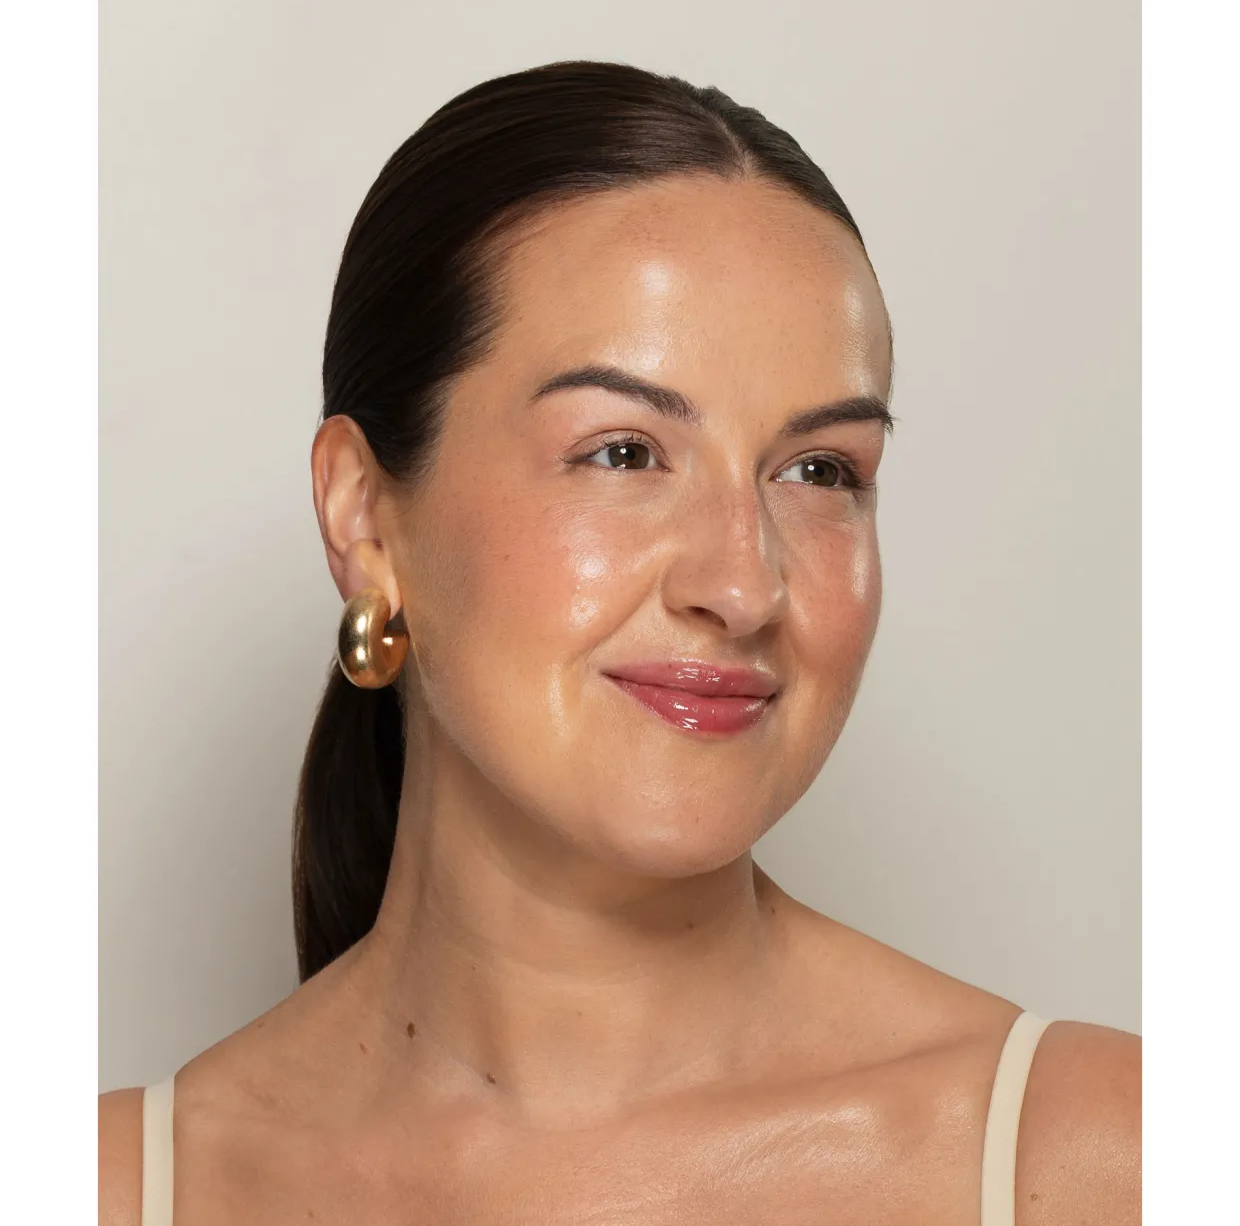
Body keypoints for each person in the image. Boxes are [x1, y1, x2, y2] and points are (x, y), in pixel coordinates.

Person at [99, 60, 1139, 1224]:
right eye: (623, 452)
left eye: (818, 470)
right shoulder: (103, 1188)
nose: (742, 584)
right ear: (365, 520)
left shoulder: (1113, 1161)